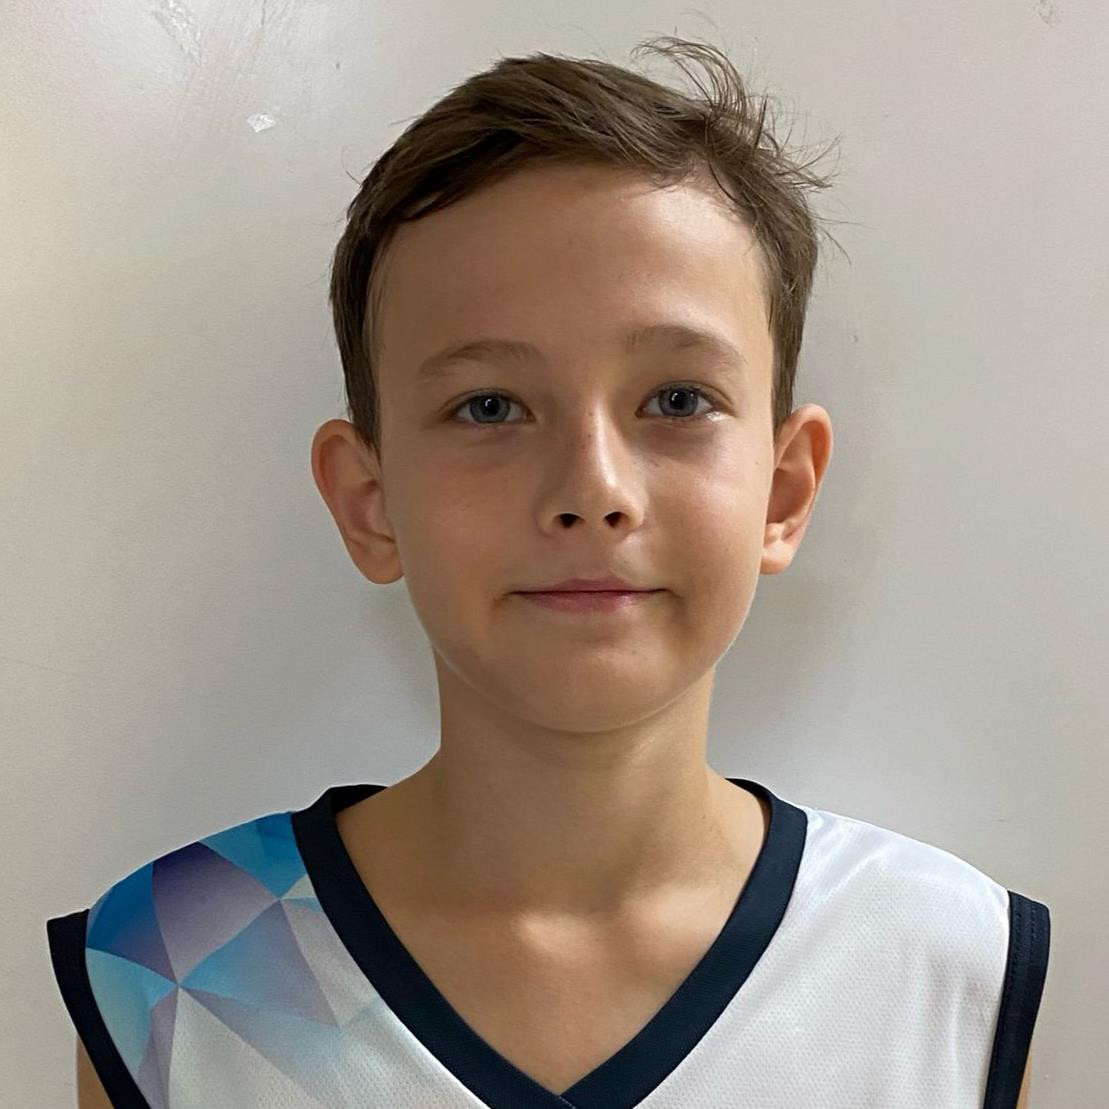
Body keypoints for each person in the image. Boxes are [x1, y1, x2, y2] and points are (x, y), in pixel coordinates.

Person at [47, 36, 1048, 1108]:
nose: (592, 488)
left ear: (782, 488)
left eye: (676, 399)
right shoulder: (176, 964)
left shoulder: (945, 967)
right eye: (489, 406)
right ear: (369, 502)